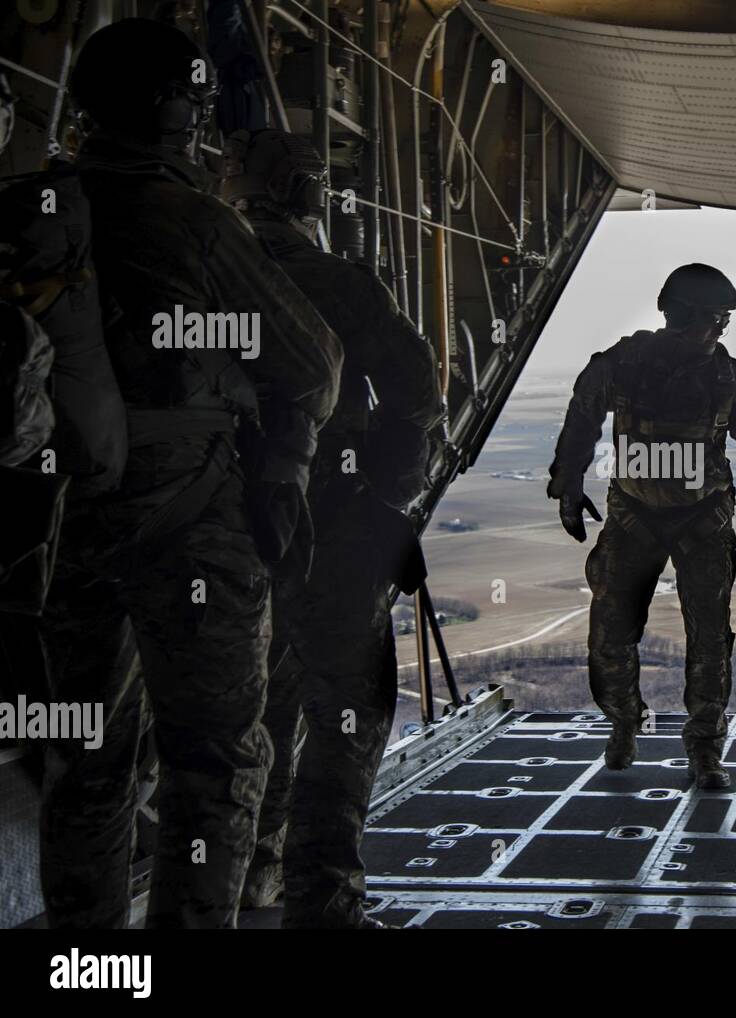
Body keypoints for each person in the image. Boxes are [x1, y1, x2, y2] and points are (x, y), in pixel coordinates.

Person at [39, 18, 341, 929]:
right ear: (178, 115)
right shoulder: (191, 220)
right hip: (191, 528)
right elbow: (312, 364)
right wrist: (277, 467)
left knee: (87, 762)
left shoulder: (34, 213)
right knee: (214, 765)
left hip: (59, 535)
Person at [222, 128, 441, 928]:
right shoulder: (335, 283)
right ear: (309, 196)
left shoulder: (196, 278)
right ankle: (325, 906)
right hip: (331, 533)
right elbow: (416, 392)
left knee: (255, 709)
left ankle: (252, 882)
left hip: (219, 534)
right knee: (347, 717)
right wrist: (386, 497)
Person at [548, 264, 736, 790]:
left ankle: (704, 749)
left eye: (725, 319)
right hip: (634, 514)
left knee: (709, 644)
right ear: (676, 315)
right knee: (609, 636)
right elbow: (582, 418)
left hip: (703, 518)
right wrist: (567, 484)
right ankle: (624, 721)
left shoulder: (731, 379)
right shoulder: (623, 364)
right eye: (709, 318)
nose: (718, 329)